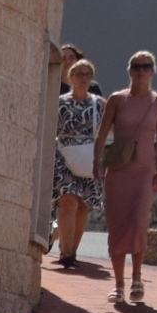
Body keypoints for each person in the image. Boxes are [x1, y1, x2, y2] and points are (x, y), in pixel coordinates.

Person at [95, 51, 157, 310]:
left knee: (139, 222)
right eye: (137, 66)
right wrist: (96, 161)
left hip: (144, 171)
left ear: (152, 70)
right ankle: (118, 284)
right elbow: (103, 131)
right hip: (118, 171)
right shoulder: (117, 99)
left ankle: (137, 277)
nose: (141, 71)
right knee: (117, 225)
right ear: (129, 70)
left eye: (146, 66)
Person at [51, 58, 103, 270]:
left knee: (83, 205)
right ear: (70, 77)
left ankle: (73, 248)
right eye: (78, 74)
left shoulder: (100, 103)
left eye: (86, 74)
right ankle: (66, 252)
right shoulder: (60, 102)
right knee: (68, 200)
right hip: (64, 154)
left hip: (90, 157)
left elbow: (109, 130)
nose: (82, 78)